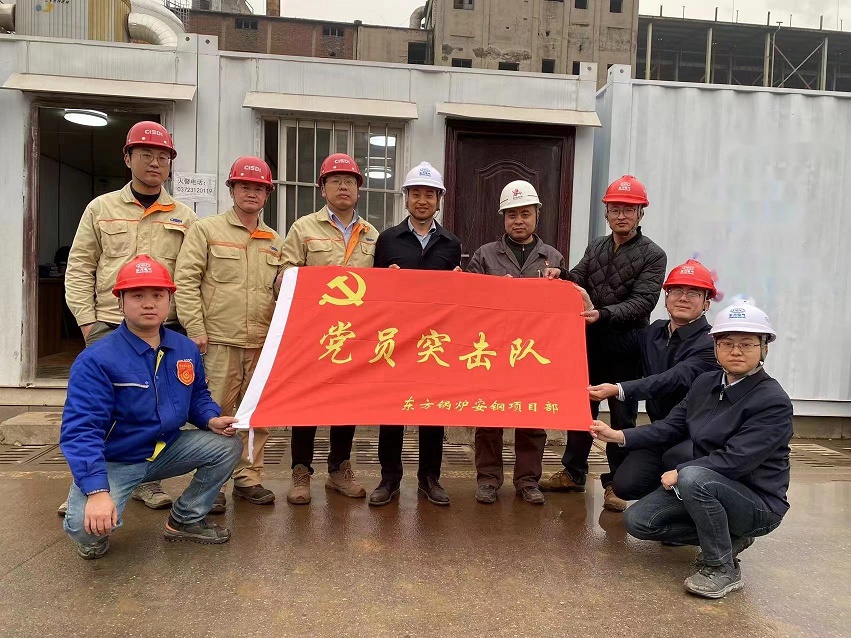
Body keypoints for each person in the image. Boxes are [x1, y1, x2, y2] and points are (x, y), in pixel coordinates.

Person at [591, 301, 792, 599]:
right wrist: (618, 435)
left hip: (757, 502)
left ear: (764, 348)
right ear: (716, 347)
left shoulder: (772, 401)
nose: (736, 351)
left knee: (693, 477)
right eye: (727, 343)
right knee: (638, 521)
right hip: (709, 487)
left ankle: (721, 567)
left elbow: (737, 459)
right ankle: (729, 539)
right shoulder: (705, 383)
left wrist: (681, 472)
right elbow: (670, 427)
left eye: (747, 344)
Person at [60, 255, 243, 559]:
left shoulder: (184, 348)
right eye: (137, 296)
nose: (149, 304)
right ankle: (94, 504)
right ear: (120, 302)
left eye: (158, 295)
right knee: (85, 528)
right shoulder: (97, 359)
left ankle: (185, 519)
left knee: (226, 445)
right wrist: (96, 491)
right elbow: (81, 430)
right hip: (116, 460)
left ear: (170, 300)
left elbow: (197, 395)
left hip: (165, 449)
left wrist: (210, 419)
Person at [61, 121, 197, 514]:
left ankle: (147, 481)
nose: (155, 163)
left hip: (164, 329)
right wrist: (87, 321)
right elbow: (80, 266)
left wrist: (189, 327)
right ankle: (85, 485)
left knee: (156, 408)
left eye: (162, 157)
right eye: (145, 155)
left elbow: (190, 276)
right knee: (97, 411)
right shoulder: (101, 209)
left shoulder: (184, 216)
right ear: (127, 158)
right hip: (109, 324)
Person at [541, 175, 666, 512]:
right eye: (615, 209)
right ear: (606, 213)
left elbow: (643, 303)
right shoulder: (596, 246)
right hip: (589, 345)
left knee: (622, 419)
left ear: (641, 213)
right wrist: (561, 275)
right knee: (580, 411)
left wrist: (603, 314)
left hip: (627, 348)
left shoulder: (653, 255)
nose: (621, 215)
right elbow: (579, 278)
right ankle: (573, 472)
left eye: (629, 209)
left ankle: (617, 484)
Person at [175, 156, 283, 512]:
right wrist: (195, 328)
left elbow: (283, 290)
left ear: (267, 194)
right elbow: (186, 280)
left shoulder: (275, 241)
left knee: (257, 415)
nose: (251, 193)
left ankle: (249, 478)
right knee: (216, 414)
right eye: (244, 186)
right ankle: (213, 483)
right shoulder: (207, 230)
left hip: (262, 343)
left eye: (259, 188)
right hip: (218, 341)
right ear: (232, 189)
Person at [276, 153, 379, 505]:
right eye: (335, 181)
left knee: (345, 403)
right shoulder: (303, 229)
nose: (343, 186)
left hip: (354, 335)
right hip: (312, 333)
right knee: (307, 402)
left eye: (350, 181)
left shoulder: (371, 235)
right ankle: (300, 470)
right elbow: (284, 275)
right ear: (323, 188)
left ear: (359, 189)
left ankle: (339, 469)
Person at [584, 259, 720, 503]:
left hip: (695, 437)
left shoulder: (710, 344)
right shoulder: (655, 331)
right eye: (676, 291)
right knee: (624, 485)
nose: (683, 298)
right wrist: (591, 314)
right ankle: (672, 492)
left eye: (693, 293)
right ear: (666, 298)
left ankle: (693, 497)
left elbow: (672, 379)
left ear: (706, 303)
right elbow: (614, 344)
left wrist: (617, 389)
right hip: (660, 432)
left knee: (677, 459)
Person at [466, 180, 566, 505]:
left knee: (532, 418)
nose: (518, 221)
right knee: (488, 418)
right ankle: (488, 479)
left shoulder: (552, 258)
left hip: (533, 351)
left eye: (525, 214)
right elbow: (468, 303)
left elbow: (562, 308)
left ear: (537, 215)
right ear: (503, 218)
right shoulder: (484, 255)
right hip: (493, 349)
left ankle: (527, 481)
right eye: (511, 215)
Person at [368, 161, 462, 507]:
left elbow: (456, 296)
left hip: (434, 342)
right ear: (406, 198)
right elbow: (372, 291)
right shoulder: (388, 239)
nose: (422, 201)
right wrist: (386, 279)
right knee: (391, 411)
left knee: (432, 413)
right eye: (416, 194)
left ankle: (429, 478)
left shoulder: (451, 242)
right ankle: (389, 478)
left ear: (439, 200)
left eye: (429, 195)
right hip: (395, 340)